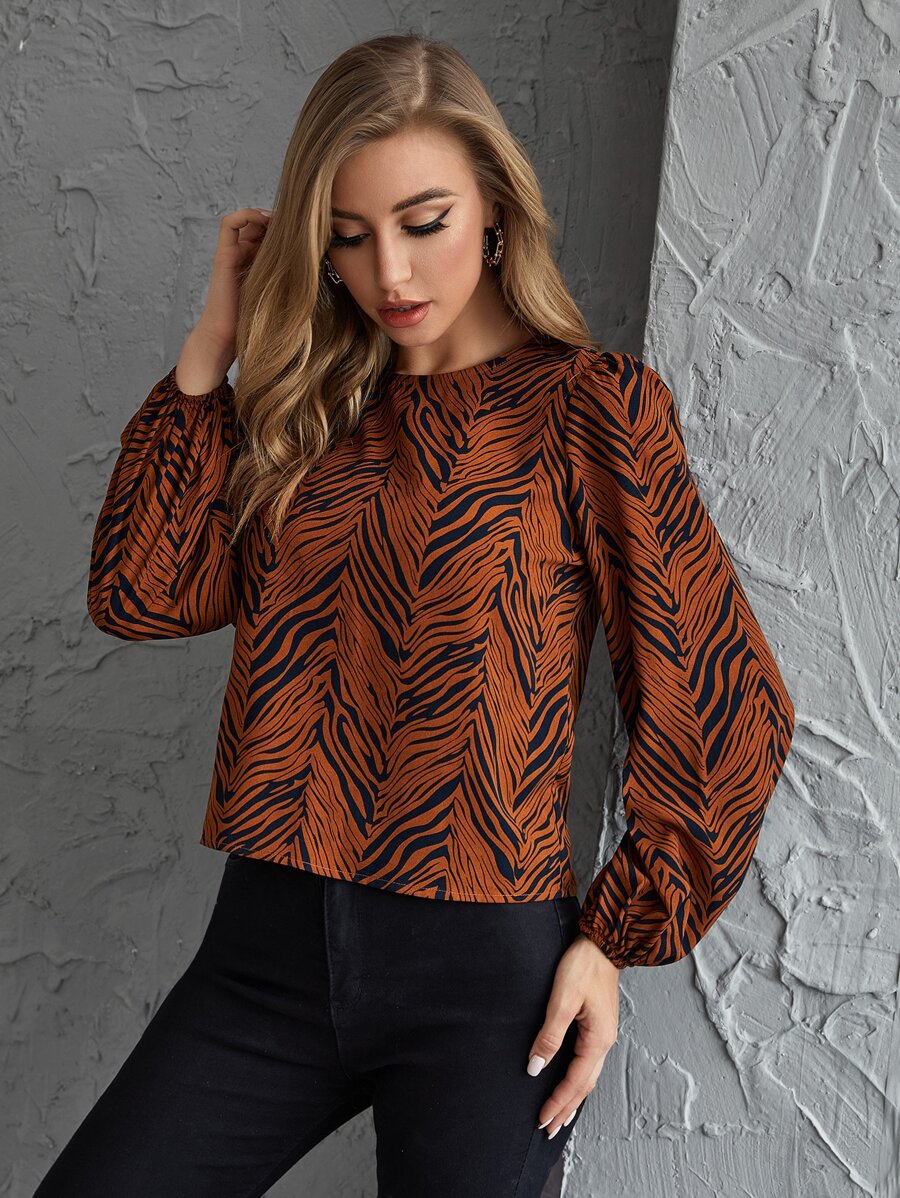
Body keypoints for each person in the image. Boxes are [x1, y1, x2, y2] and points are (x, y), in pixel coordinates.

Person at [33, 31, 795, 1198]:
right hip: (264, 954)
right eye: (347, 236)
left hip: (484, 984)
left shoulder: (591, 410)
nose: (389, 270)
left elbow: (724, 701)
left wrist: (614, 938)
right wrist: (211, 353)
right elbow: (142, 591)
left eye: (423, 221)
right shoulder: (306, 416)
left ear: (494, 211)